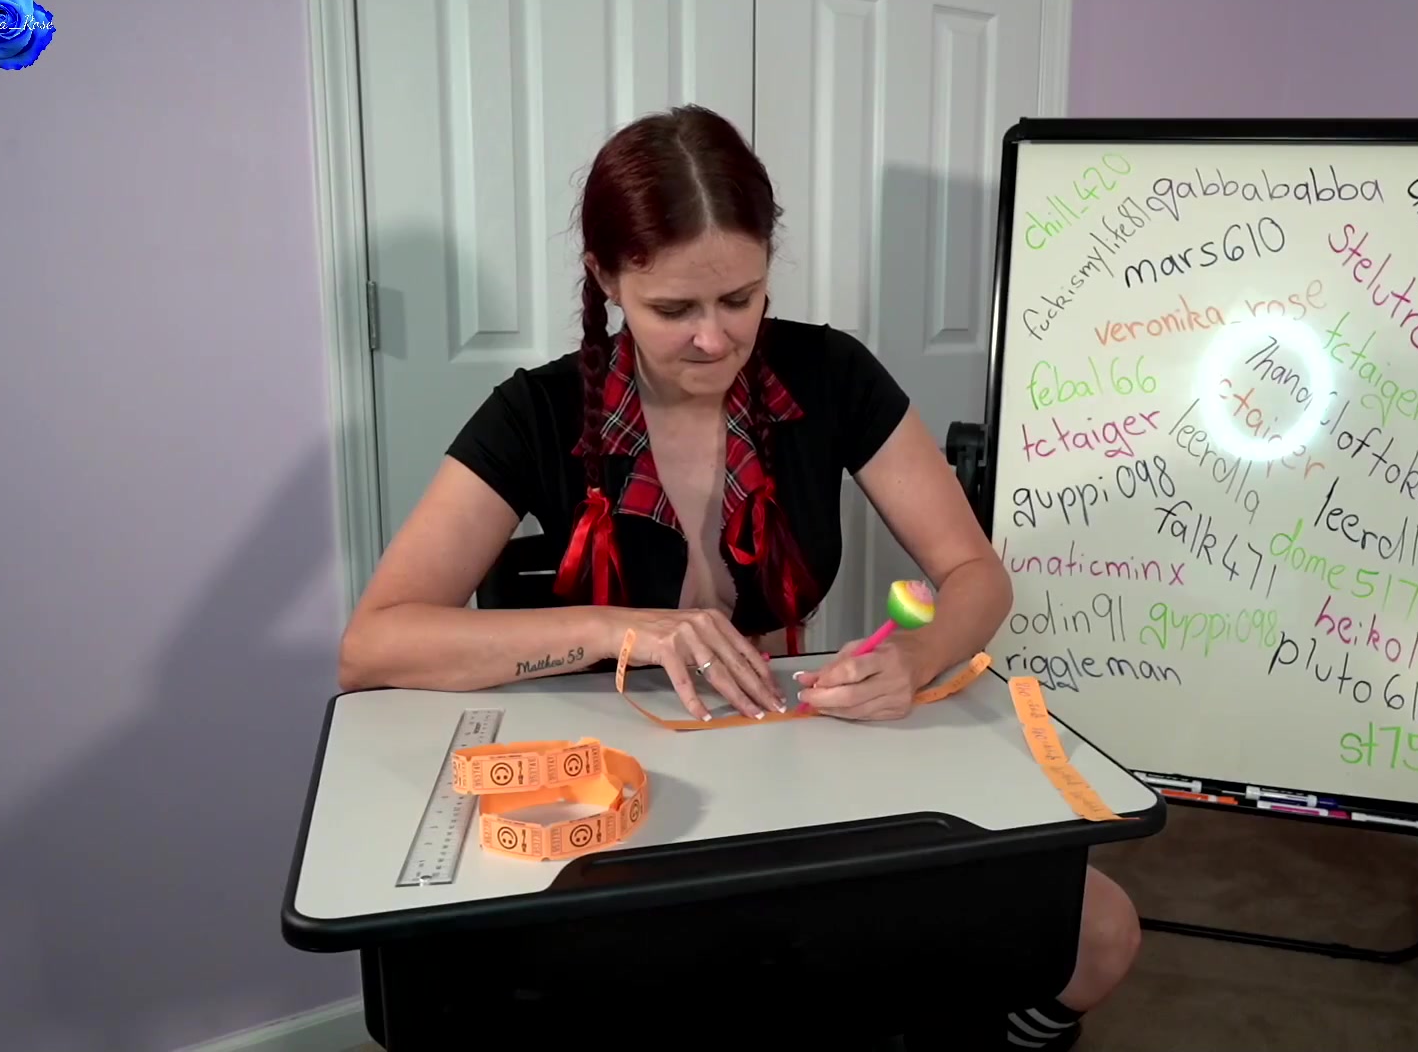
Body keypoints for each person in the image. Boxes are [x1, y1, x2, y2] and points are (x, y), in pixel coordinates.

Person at [337, 104, 1140, 1049]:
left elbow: (976, 577)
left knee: (1099, 933)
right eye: (674, 310)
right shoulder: (535, 414)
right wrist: (615, 627)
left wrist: (917, 657)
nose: (715, 340)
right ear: (607, 279)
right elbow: (373, 645)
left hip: (792, 748)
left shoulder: (831, 374)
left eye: (741, 299)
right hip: (617, 782)